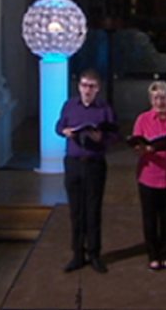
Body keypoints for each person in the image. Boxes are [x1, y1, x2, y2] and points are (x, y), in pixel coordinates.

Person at [56, 69, 118, 273]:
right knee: (76, 211)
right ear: (79, 87)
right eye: (84, 85)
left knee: (93, 210)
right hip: (73, 163)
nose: (87, 90)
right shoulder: (70, 105)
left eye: (91, 86)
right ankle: (77, 254)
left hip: (94, 163)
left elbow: (114, 135)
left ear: (97, 88)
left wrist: (102, 138)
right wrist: (65, 131)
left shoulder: (104, 109)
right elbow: (59, 126)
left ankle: (94, 254)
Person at [131, 80, 166, 271]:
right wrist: (145, 149)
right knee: (150, 218)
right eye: (156, 98)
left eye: (163, 98)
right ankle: (153, 255)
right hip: (149, 175)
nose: (160, 102)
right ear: (151, 100)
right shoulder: (142, 120)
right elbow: (136, 147)